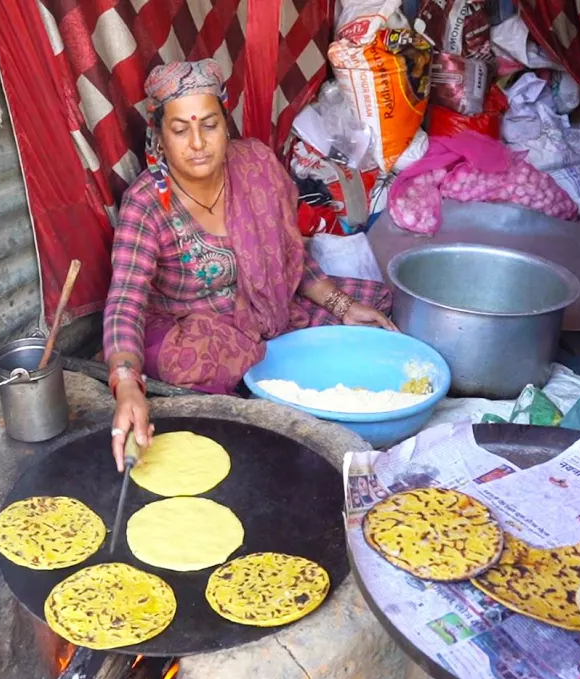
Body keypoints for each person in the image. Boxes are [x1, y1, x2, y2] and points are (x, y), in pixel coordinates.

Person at [103, 60, 396, 469]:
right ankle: (270, 367)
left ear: (226, 125)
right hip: (193, 326)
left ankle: (269, 366)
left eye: (209, 124)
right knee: (195, 359)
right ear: (160, 137)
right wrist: (128, 386)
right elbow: (125, 301)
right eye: (180, 129)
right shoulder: (146, 204)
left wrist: (343, 306)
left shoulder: (256, 165)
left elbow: (291, 260)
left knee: (371, 312)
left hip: (266, 308)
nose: (197, 143)